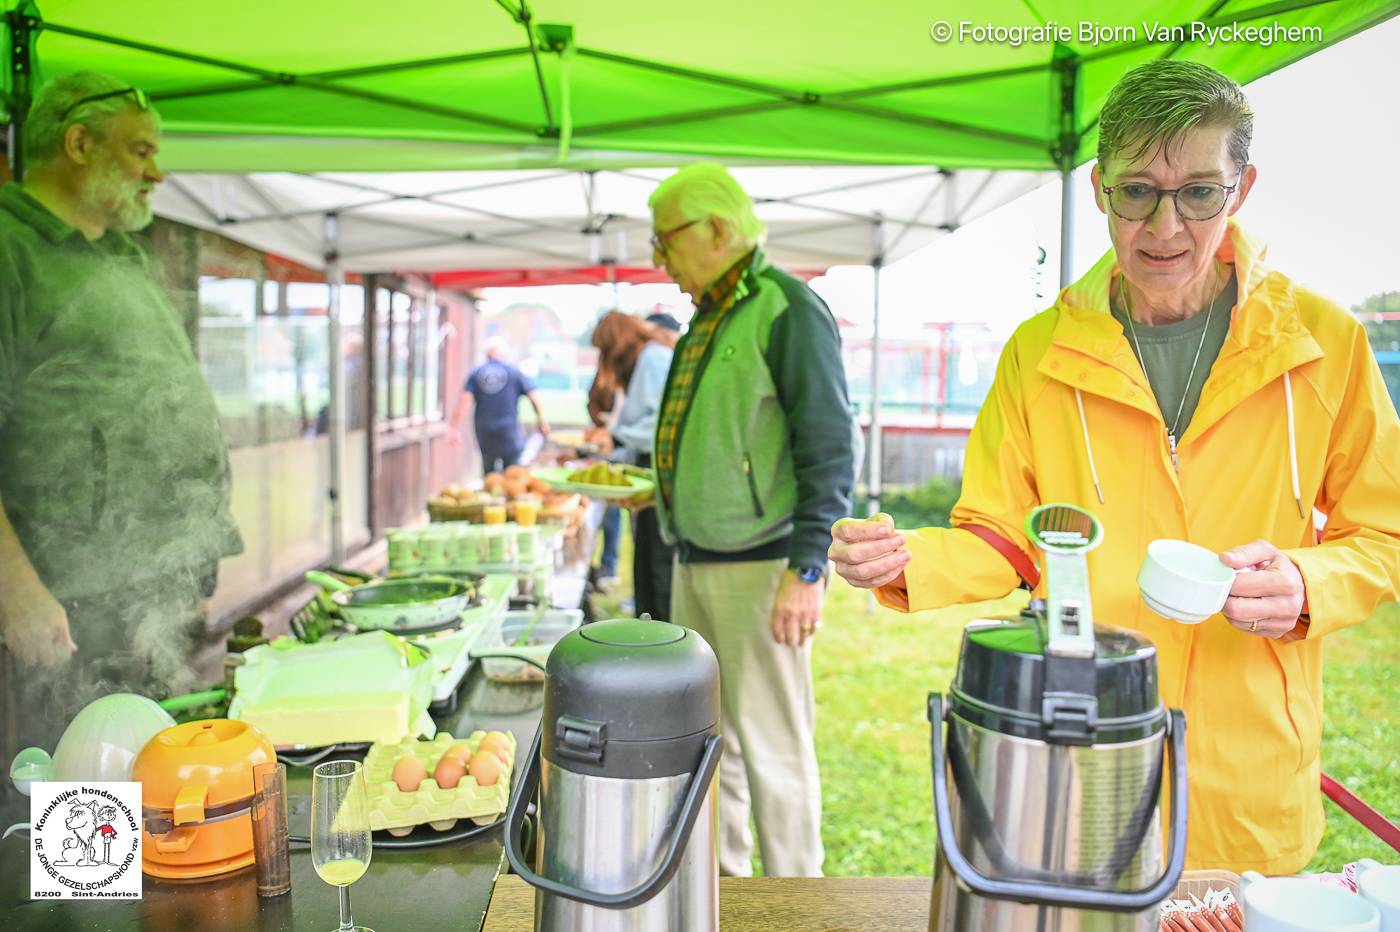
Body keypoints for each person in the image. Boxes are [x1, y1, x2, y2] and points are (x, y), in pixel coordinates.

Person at [830, 61, 1400, 875]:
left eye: (1198, 192)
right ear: (1098, 188)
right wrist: (905, 558)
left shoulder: (1325, 343)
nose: (1165, 227)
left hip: (1248, 775)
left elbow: (1384, 531)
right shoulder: (1039, 353)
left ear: (1241, 188)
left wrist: (1309, 582)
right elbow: (1005, 536)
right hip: (1079, 747)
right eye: (1138, 191)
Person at [0, 72, 243, 787]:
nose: (157, 172)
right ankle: (82, 905)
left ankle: (171, 902)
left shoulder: (118, 252)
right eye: (140, 151)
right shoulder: (10, 250)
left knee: (168, 802)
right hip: (74, 600)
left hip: (152, 586)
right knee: (87, 817)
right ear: (79, 143)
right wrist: (17, 592)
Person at [632, 163, 857, 877]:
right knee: (708, 740)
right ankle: (721, 893)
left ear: (718, 230)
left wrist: (808, 568)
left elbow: (828, 445)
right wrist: (663, 491)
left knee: (774, 749)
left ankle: (797, 903)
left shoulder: (786, 307)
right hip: (693, 560)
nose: (658, 260)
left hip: (761, 569)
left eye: (665, 241)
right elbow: (722, 438)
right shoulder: (711, 314)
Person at [588, 311, 679, 619]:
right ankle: (650, 628)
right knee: (646, 561)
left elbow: (660, 422)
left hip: (660, 473)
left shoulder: (653, 359)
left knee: (659, 566)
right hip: (647, 469)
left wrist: (617, 438)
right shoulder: (648, 359)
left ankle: (665, 640)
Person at [449, 337, 549, 474]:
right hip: (509, 431)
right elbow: (533, 396)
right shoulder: (514, 372)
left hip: (485, 431)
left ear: (487, 354)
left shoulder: (476, 373)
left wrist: (455, 427)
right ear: (503, 353)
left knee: (489, 472)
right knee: (512, 473)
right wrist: (541, 420)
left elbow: (464, 401)